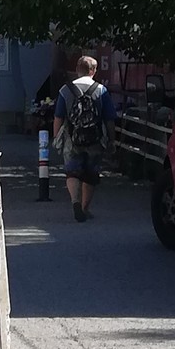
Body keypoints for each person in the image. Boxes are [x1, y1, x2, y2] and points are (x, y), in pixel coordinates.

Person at [54, 53, 115, 222]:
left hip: (72, 137)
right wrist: (112, 139)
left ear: (76, 70)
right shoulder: (101, 90)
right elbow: (109, 118)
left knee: (72, 172)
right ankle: (84, 208)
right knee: (91, 174)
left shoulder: (65, 90)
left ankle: (74, 201)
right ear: (93, 71)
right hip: (95, 139)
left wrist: (56, 137)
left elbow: (58, 116)